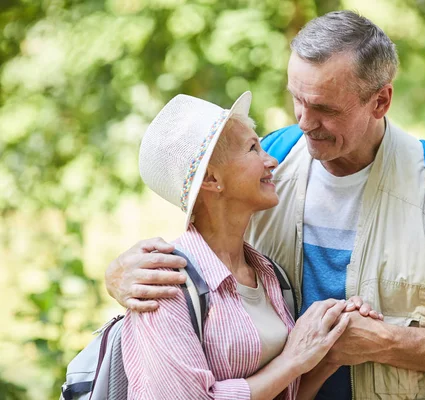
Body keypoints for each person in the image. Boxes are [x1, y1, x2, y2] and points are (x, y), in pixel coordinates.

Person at [106, 10, 425, 400]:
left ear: (380, 101)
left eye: (324, 108)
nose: (304, 122)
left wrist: (383, 343)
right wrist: (120, 276)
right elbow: (198, 252)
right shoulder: (265, 169)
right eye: (298, 99)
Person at [122, 91, 382, 400]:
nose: (271, 160)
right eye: (252, 148)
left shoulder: (270, 276)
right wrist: (291, 361)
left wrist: (328, 348)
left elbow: (287, 393)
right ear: (211, 178)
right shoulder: (165, 287)